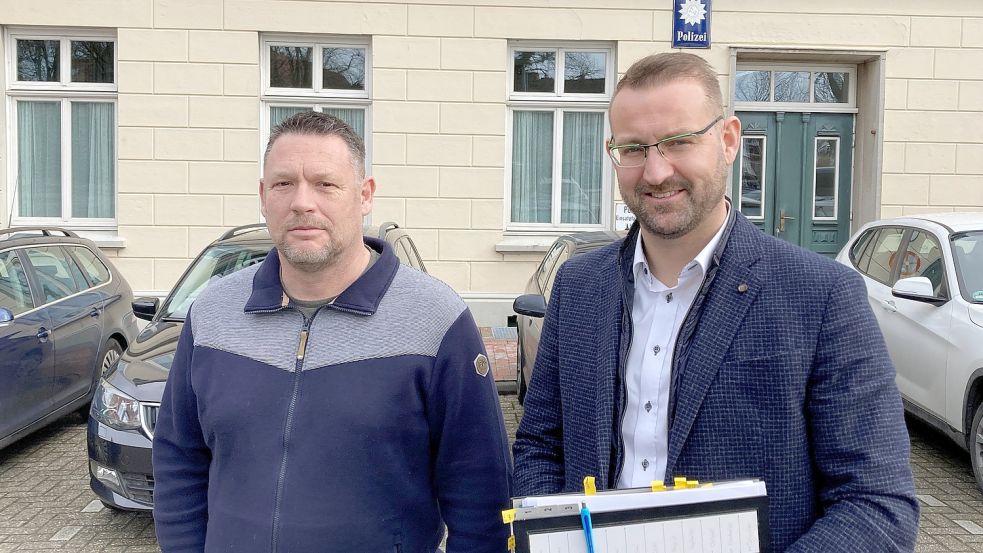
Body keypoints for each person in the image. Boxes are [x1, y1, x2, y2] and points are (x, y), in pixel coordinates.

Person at [512, 53, 919, 552]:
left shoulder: (823, 297)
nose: (656, 171)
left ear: (728, 140)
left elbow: (877, 505)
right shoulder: (578, 287)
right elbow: (541, 446)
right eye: (635, 148)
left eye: (679, 142)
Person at [153, 111, 512, 553]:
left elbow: (480, 496)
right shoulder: (211, 314)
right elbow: (179, 458)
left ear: (365, 196)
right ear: (263, 196)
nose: (303, 202)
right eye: (284, 184)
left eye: (325, 184)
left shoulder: (437, 320)